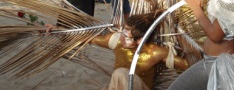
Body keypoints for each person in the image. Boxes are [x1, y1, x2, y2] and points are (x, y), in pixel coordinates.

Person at [47, 11, 189, 90]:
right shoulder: (116, 41)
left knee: (121, 74)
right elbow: (87, 38)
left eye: (126, 34)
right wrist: (58, 30)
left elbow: (190, 66)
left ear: (140, 40)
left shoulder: (156, 53)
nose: (121, 36)